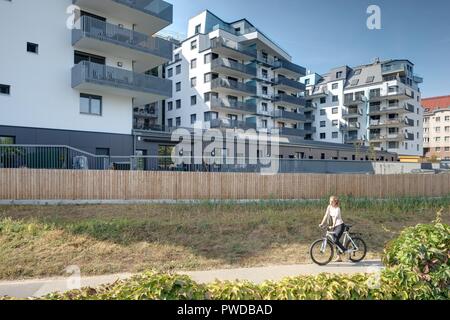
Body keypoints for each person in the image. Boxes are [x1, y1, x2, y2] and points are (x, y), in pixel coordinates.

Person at [319, 196, 348, 262]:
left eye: (332, 201)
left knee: (335, 240)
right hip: (335, 226)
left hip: (340, 225)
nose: (331, 202)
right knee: (335, 240)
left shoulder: (337, 209)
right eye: (330, 201)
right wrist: (321, 223)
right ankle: (339, 258)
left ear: (335, 202)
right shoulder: (329, 207)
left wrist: (333, 225)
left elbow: (335, 218)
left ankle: (344, 250)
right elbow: (326, 215)